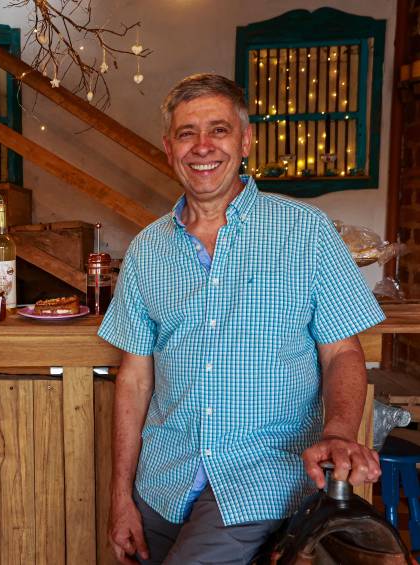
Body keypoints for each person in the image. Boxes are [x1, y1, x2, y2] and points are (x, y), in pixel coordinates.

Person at [98, 74, 385, 565]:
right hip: (164, 482)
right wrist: (121, 495)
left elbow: (342, 350)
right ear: (169, 148)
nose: (202, 147)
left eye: (219, 130)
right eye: (187, 133)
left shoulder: (305, 232)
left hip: (263, 478)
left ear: (246, 140)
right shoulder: (147, 250)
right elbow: (134, 378)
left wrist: (339, 431)